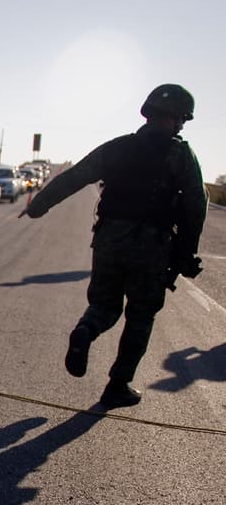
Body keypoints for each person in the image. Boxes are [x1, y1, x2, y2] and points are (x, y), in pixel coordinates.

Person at [21, 83, 206, 408]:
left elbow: (76, 175)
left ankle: (86, 330)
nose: (180, 126)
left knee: (105, 305)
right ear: (176, 118)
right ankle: (117, 385)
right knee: (141, 314)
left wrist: (39, 205)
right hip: (151, 246)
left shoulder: (119, 147)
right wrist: (187, 253)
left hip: (108, 239)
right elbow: (195, 206)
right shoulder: (181, 155)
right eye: (181, 120)